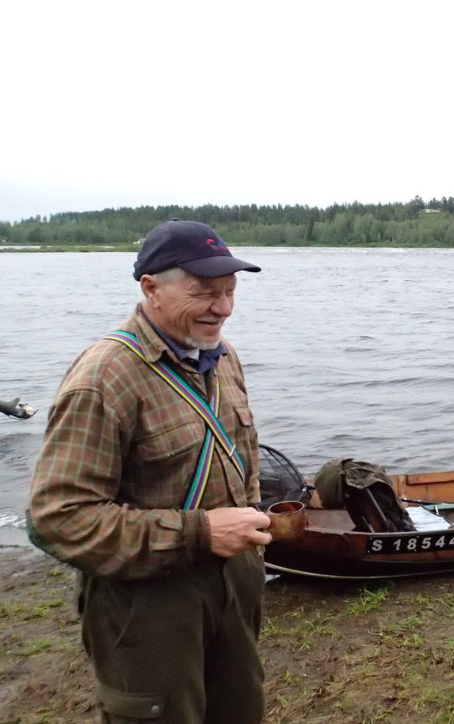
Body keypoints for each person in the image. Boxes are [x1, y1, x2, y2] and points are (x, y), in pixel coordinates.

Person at [28, 220, 271, 724]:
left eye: (229, 292)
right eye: (203, 293)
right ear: (151, 288)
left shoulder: (223, 357)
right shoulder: (104, 377)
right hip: (148, 604)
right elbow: (58, 519)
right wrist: (200, 533)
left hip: (232, 587)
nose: (222, 308)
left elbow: (242, 460)